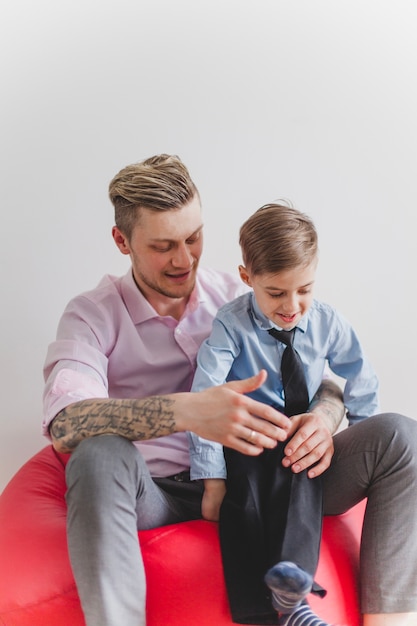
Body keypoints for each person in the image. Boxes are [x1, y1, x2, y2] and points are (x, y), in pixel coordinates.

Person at [41, 154, 417, 626]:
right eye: (163, 246)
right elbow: (67, 424)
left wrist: (323, 417)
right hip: (155, 490)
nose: (184, 259)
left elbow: (325, 378)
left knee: (402, 436)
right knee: (97, 454)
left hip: (269, 472)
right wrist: (188, 412)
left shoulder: (244, 296)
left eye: (193, 238)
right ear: (122, 241)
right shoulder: (91, 316)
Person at [189, 203, 380, 626]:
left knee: (299, 460)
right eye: (276, 293)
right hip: (249, 441)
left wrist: (357, 437)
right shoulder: (231, 325)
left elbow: (361, 378)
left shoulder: (328, 322)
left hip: (299, 442)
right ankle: (267, 609)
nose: (292, 305)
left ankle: (294, 600)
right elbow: (202, 396)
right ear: (246, 278)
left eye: (304, 290)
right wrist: (212, 483)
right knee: (247, 502)